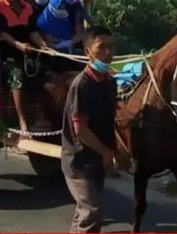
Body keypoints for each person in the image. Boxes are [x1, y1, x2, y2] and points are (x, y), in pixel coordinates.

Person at [61, 26, 117, 233]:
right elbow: (81, 130)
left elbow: (110, 120)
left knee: (84, 213)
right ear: (87, 52)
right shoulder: (82, 85)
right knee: (91, 212)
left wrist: (112, 151)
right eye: (102, 47)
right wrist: (105, 152)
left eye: (112, 47)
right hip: (80, 160)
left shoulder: (110, 83)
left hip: (96, 159)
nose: (108, 53)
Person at [0, 0, 48, 135]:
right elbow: (2, 33)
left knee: (43, 72)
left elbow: (33, 31)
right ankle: (23, 121)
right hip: (7, 53)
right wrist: (18, 45)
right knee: (17, 76)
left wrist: (43, 45)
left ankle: (42, 117)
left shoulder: (29, 7)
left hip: (28, 51)